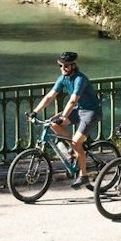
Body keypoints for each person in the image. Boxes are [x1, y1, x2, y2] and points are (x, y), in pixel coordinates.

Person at [30, 50, 101, 187]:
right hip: (78, 110)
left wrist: (63, 116)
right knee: (52, 123)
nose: (63, 69)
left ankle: (83, 176)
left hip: (91, 112)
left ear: (73, 66)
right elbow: (50, 96)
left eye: (66, 66)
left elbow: (73, 100)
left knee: (75, 142)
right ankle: (72, 150)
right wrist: (34, 111)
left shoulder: (80, 79)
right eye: (61, 66)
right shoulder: (63, 78)